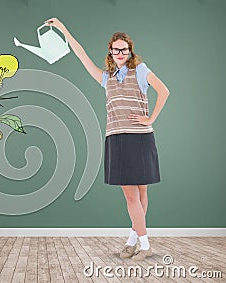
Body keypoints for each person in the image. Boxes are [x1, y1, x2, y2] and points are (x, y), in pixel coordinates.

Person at [44, 18, 170, 261]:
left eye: (124, 49)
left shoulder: (141, 70)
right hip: (117, 139)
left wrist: (150, 118)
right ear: (110, 53)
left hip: (141, 139)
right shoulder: (105, 78)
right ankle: (134, 242)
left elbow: (164, 90)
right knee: (133, 195)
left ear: (129, 51)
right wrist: (62, 28)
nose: (120, 53)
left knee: (139, 193)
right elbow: (80, 54)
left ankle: (144, 245)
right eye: (115, 49)